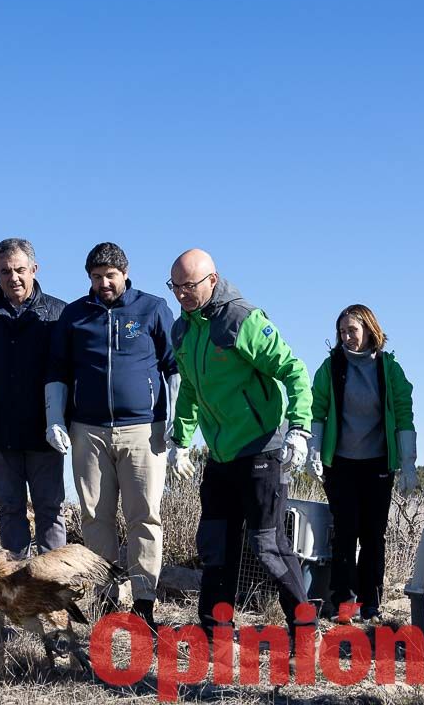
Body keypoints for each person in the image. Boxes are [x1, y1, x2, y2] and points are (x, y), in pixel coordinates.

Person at [164, 248, 315, 640]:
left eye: (189, 286)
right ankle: (215, 635)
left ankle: (304, 630)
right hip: (220, 454)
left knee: (267, 545)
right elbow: (190, 393)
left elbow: (293, 370)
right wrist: (181, 439)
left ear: (212, 280)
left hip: (261, 448)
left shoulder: (241, 320)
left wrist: (299, 427)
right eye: (175, 287)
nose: (181, 294)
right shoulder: (183, 329)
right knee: (216, 546)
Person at [46, 242, 178, 629]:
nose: (103, 283)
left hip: (143, 429)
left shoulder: (152, 308)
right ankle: (105, 599)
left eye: (110, 276)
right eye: (96, 277)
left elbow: (173, 365)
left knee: (145, 517)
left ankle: (144, 602)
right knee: (94, 517)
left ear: (125, 273)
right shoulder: (74, 315)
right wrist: (55, 418)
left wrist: (175, 420)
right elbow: (57, 372)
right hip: (88, 430)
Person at [0, 238, 68, 558]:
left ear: (35, 269)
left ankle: (53, 585)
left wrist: (62, 419)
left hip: (45, 430)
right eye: (5, 271)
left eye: (20, 270)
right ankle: (18, 585)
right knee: (8, 508)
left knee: (50, 508)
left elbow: (70, 371)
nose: (13, 277)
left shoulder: (59, 313)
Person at [307, 304, 416, 622]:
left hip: (378, 464)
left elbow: (404, 411)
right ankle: (344, 602)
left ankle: (371, 603)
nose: (346, 336)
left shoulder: (388, 368)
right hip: (340, 464)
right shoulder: (331, 367)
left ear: (369, 330)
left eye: (352, 330)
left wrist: (408, 462)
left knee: (373, 535)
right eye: (342, 331)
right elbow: (318, 410)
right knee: (344, 532)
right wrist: (315, 453)